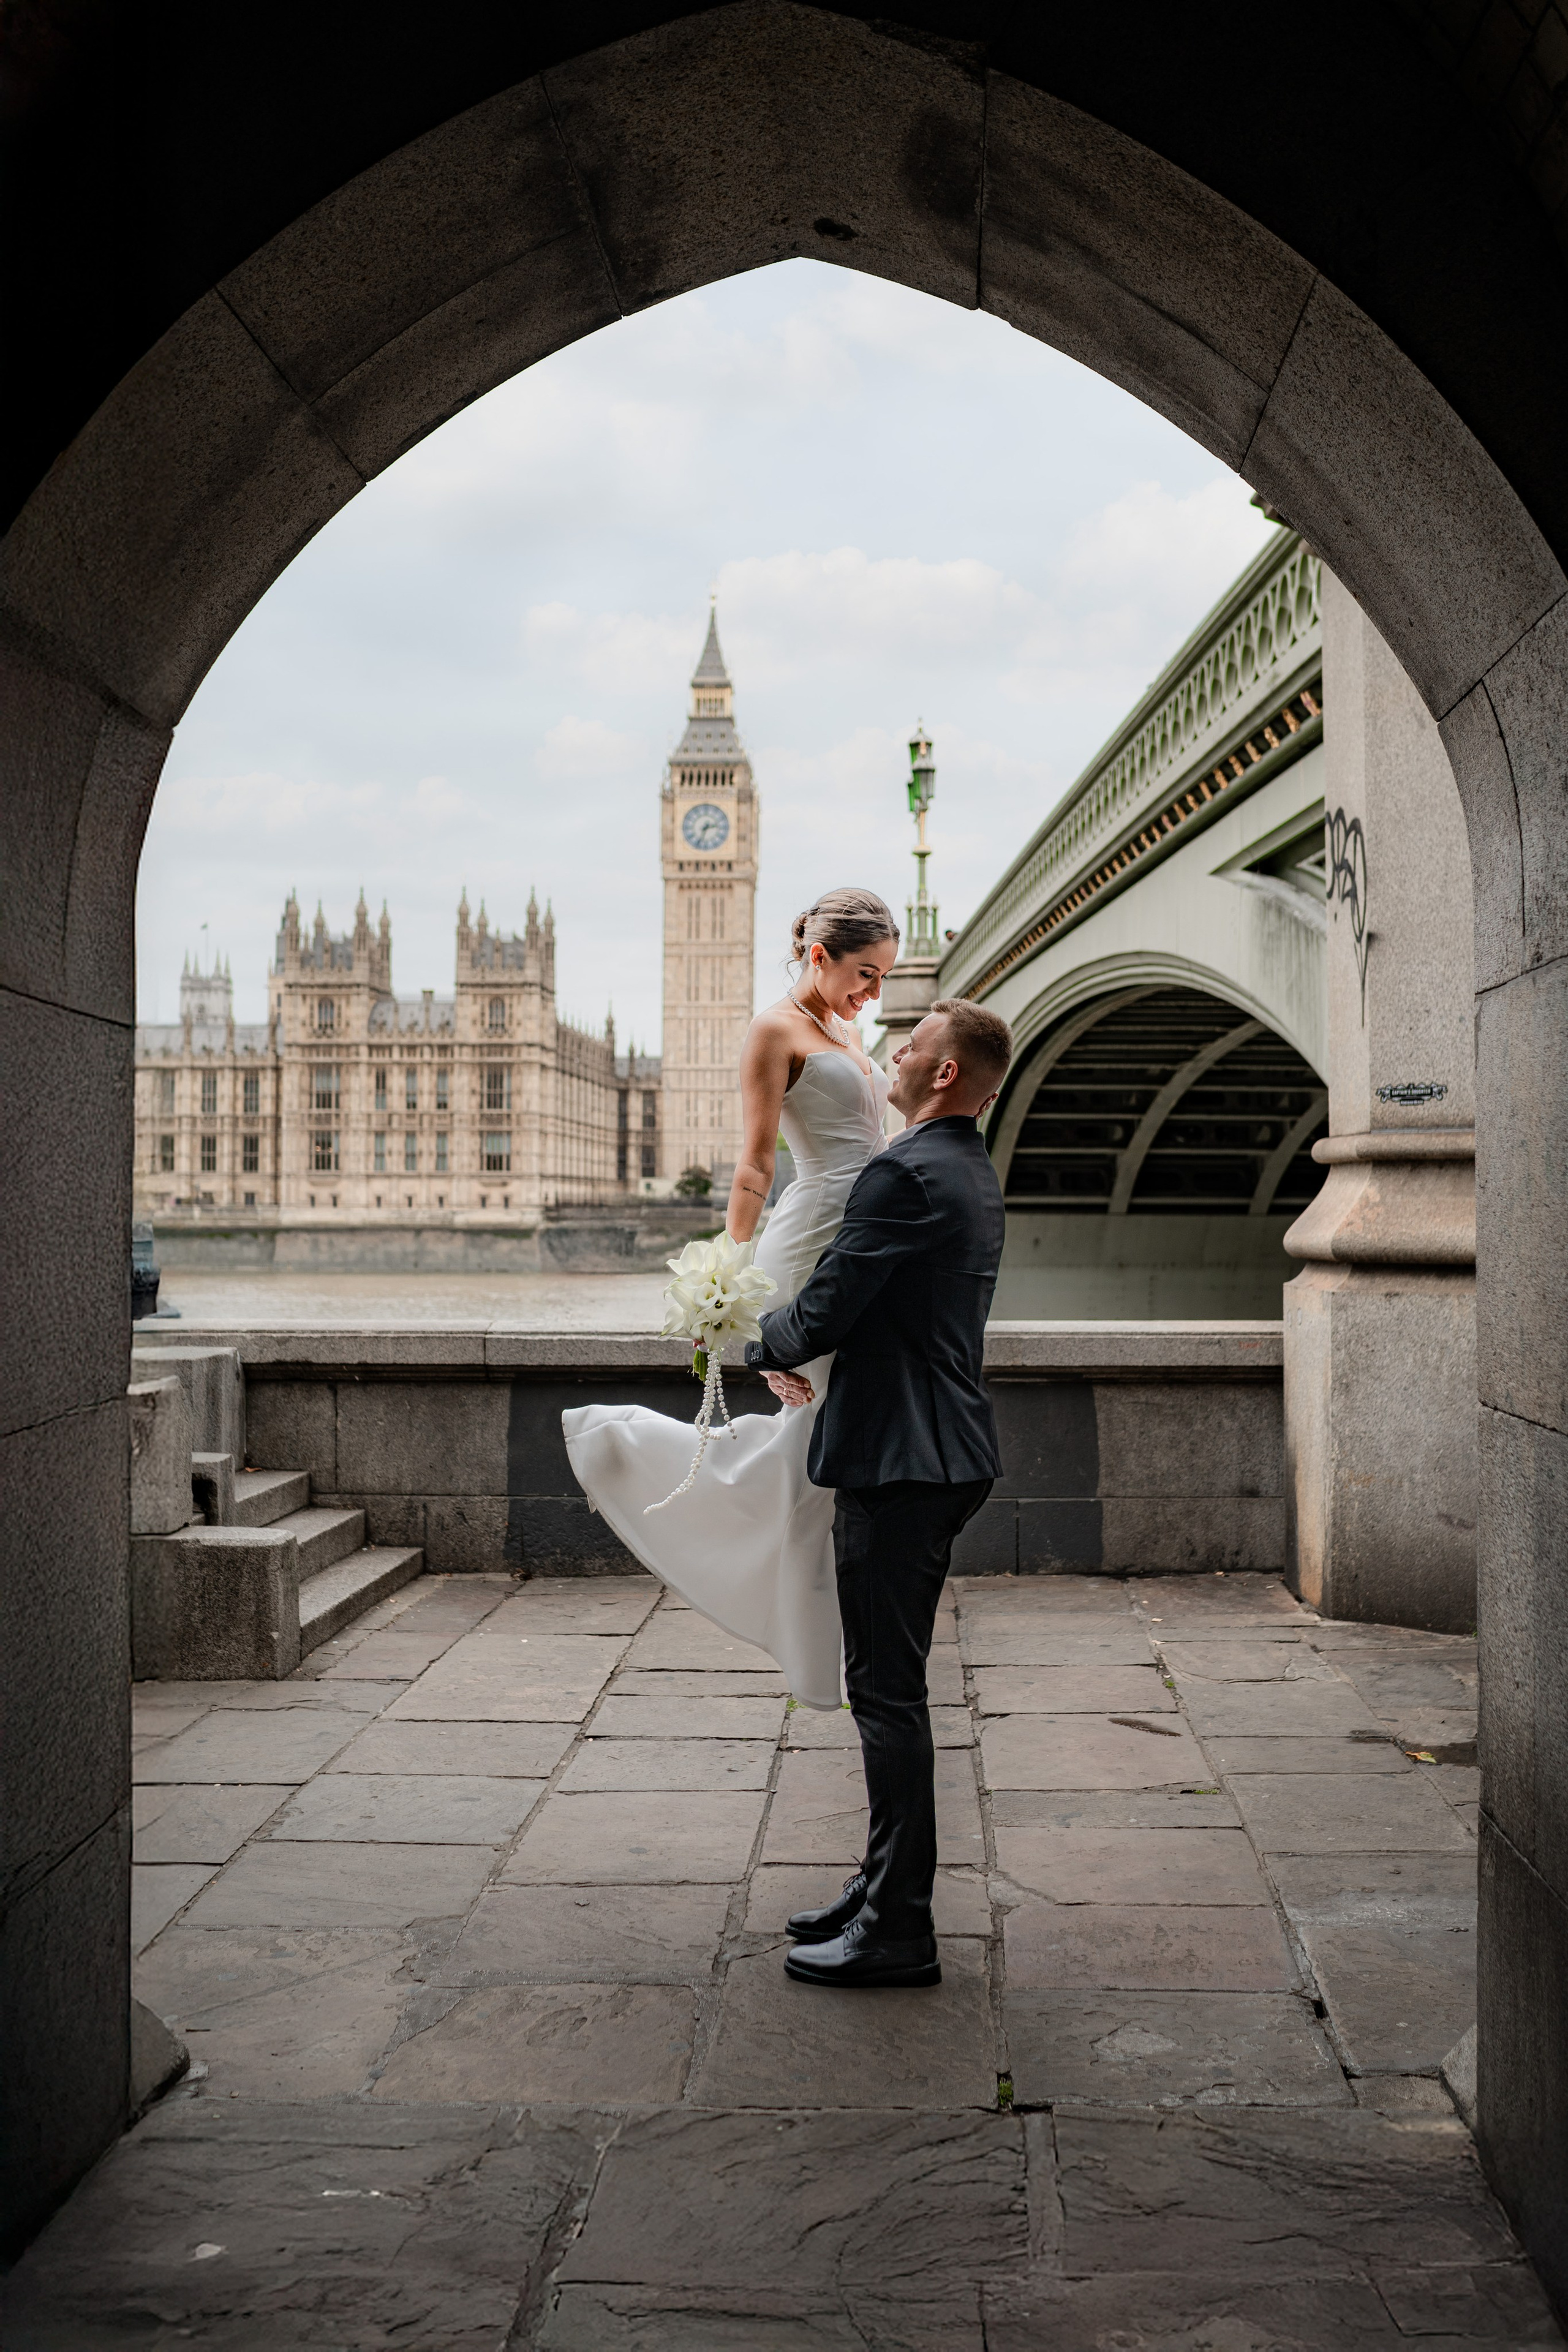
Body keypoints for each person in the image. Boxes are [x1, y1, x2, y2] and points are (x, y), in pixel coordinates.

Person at [562, 888, 902, 1708]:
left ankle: (821, 1629)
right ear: (819, 957)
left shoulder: (846, 1028)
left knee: (819, 1439)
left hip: (860, 1241)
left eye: (885, 977)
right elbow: (754, 1164)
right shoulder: (772, 1031)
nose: (874, 995)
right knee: (818, 1435)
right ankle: (632, 1451)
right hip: (814, 1241)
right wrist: (728, 1273)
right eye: (865, 974)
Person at [748, 996, 1013, 1990]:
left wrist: (742, 1336)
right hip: (939, 1450)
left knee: (889, 1699)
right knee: (889, 1691)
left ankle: (899, 1927)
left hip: (902, 1462)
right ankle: (877, 1887)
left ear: (944, 1074)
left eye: (913, 1047)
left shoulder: (903, 1172)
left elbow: (829, 1302)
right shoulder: (966, 1169)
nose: (893, 1056)